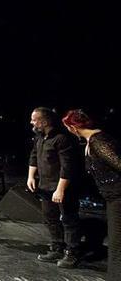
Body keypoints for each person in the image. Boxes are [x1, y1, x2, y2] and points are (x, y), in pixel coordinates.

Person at [63, 109, 121, 277]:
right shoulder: (92, 141)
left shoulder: (98, 141)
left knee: (117, 246)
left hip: (118, 197)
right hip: (112, 197)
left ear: (73, 128)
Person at [28, 106, 82, 268]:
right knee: (50, 218)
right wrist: (31, 176)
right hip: (45, 185)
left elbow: (67, 166)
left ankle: (72, 252)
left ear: (44, 121)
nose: (31, 122)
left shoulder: (61, 138)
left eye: (34, 119)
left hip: (62, 186)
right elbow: (34, 155)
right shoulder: (39, 137)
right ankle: (57, 247)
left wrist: (60, 189)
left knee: (68, 219)